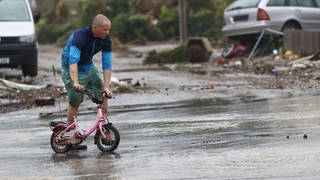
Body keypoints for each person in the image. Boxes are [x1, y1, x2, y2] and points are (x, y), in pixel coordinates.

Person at [61, 14, 113, 128]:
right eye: (105, 29)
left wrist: (107, 87)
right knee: (75, 102)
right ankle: (69, 131)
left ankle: (104, 125)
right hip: (72, 69)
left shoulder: (106, 39)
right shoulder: (80, 36)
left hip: (88, 67)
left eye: (109, 29)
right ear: (95, 28)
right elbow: (73, 61)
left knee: (103, 94)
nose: (108, 32)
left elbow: (107, 64)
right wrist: (75, 82)